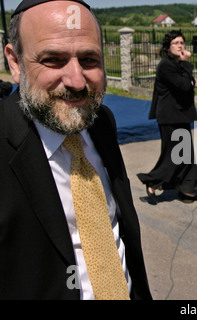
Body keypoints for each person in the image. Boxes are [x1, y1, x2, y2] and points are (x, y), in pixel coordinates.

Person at [0, 0, 152, 300]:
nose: (76, 81)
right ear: (15, 62)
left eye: (89, 59)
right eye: (53, 60)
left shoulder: (101, 122)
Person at [137, 30, 197, 204]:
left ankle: (186, 188)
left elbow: (186, 83)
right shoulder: (166, 65)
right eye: (176, 43)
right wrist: (187, 66)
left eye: (182, 43)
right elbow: (184, 85)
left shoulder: (175, 65)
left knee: (186, 154)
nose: (180, 46)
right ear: (168, 48)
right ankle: (153, 182)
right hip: (170, 116)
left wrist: (189, 79)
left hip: (179, 114)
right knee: (173, 155)